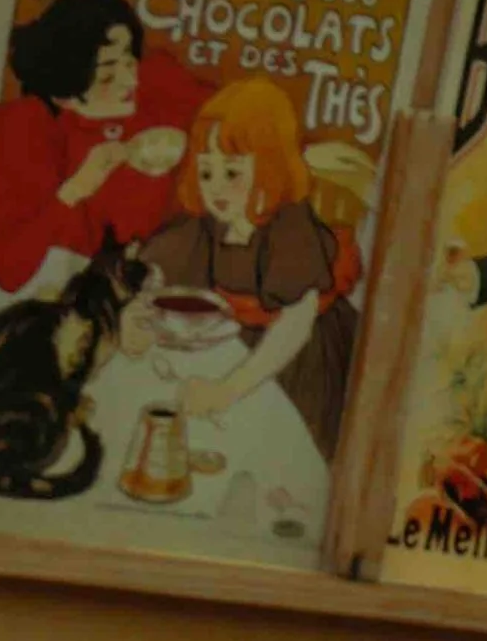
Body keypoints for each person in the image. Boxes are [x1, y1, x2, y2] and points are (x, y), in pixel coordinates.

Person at [136, 77, 363, 466]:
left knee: (284, 454)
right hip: (237, 346)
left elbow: (295, 322)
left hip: (302, 359)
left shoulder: (290, 225)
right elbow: (150, 270)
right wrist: (133, 310)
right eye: (207, 173)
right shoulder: (210, 223)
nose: (216, 188)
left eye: (233, 173)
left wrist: (227, 390)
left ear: (270, 166)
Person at [0, 0, 198, 295]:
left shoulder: (151, 84)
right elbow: (9, 270)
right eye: (107, 71)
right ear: (70, 73)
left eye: (129, 61)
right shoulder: (15, 128)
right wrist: (75, 189)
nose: (130, 80)